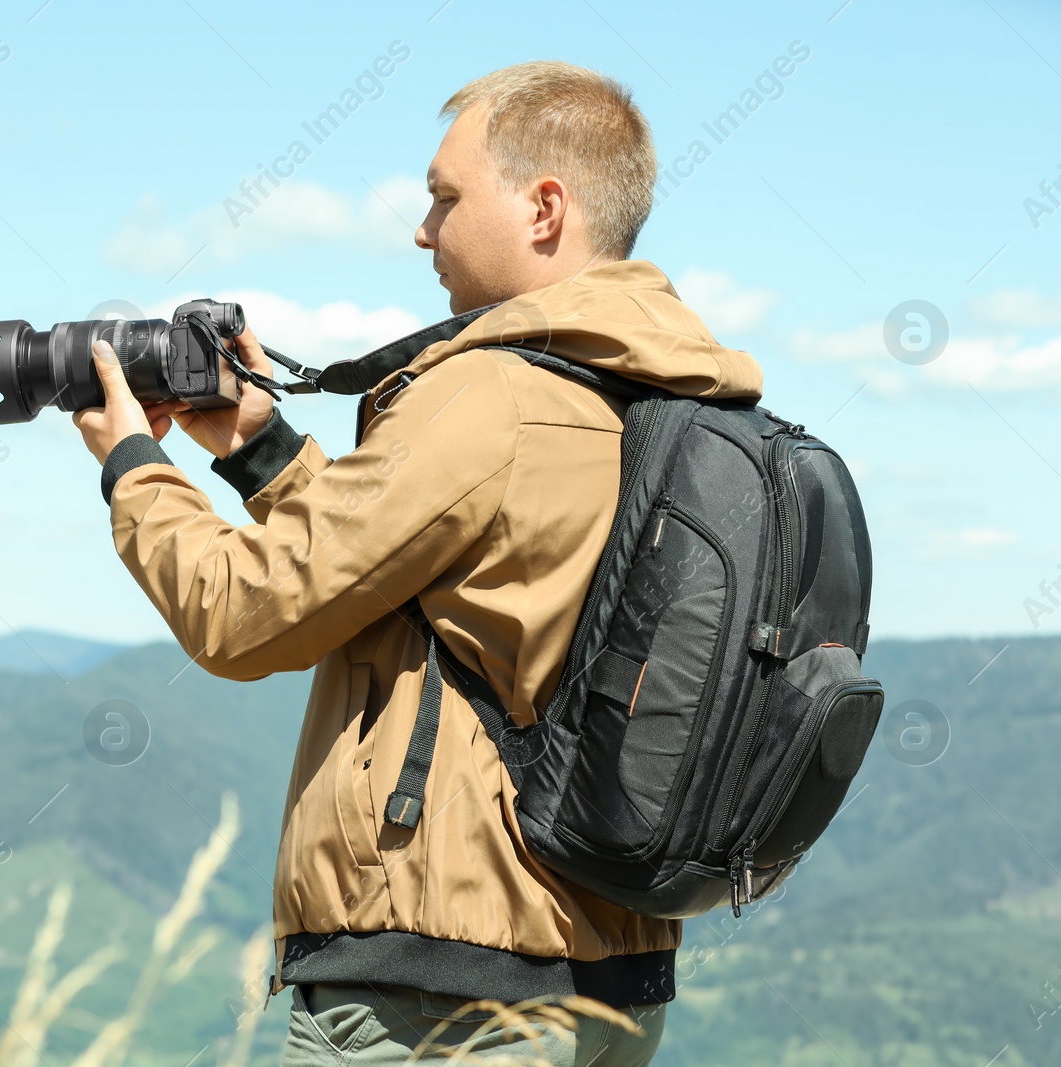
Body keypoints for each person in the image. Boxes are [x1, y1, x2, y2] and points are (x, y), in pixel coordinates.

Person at [71, 61, 764, 1067]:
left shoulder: (490, 394)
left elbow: (241, 614)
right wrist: (260, 449)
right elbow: (421, 584)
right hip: (603, 978)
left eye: (443, 198)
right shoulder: (657, 393)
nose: (422, 229)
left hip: (440, 997)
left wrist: (134, 465)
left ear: (543, 206)